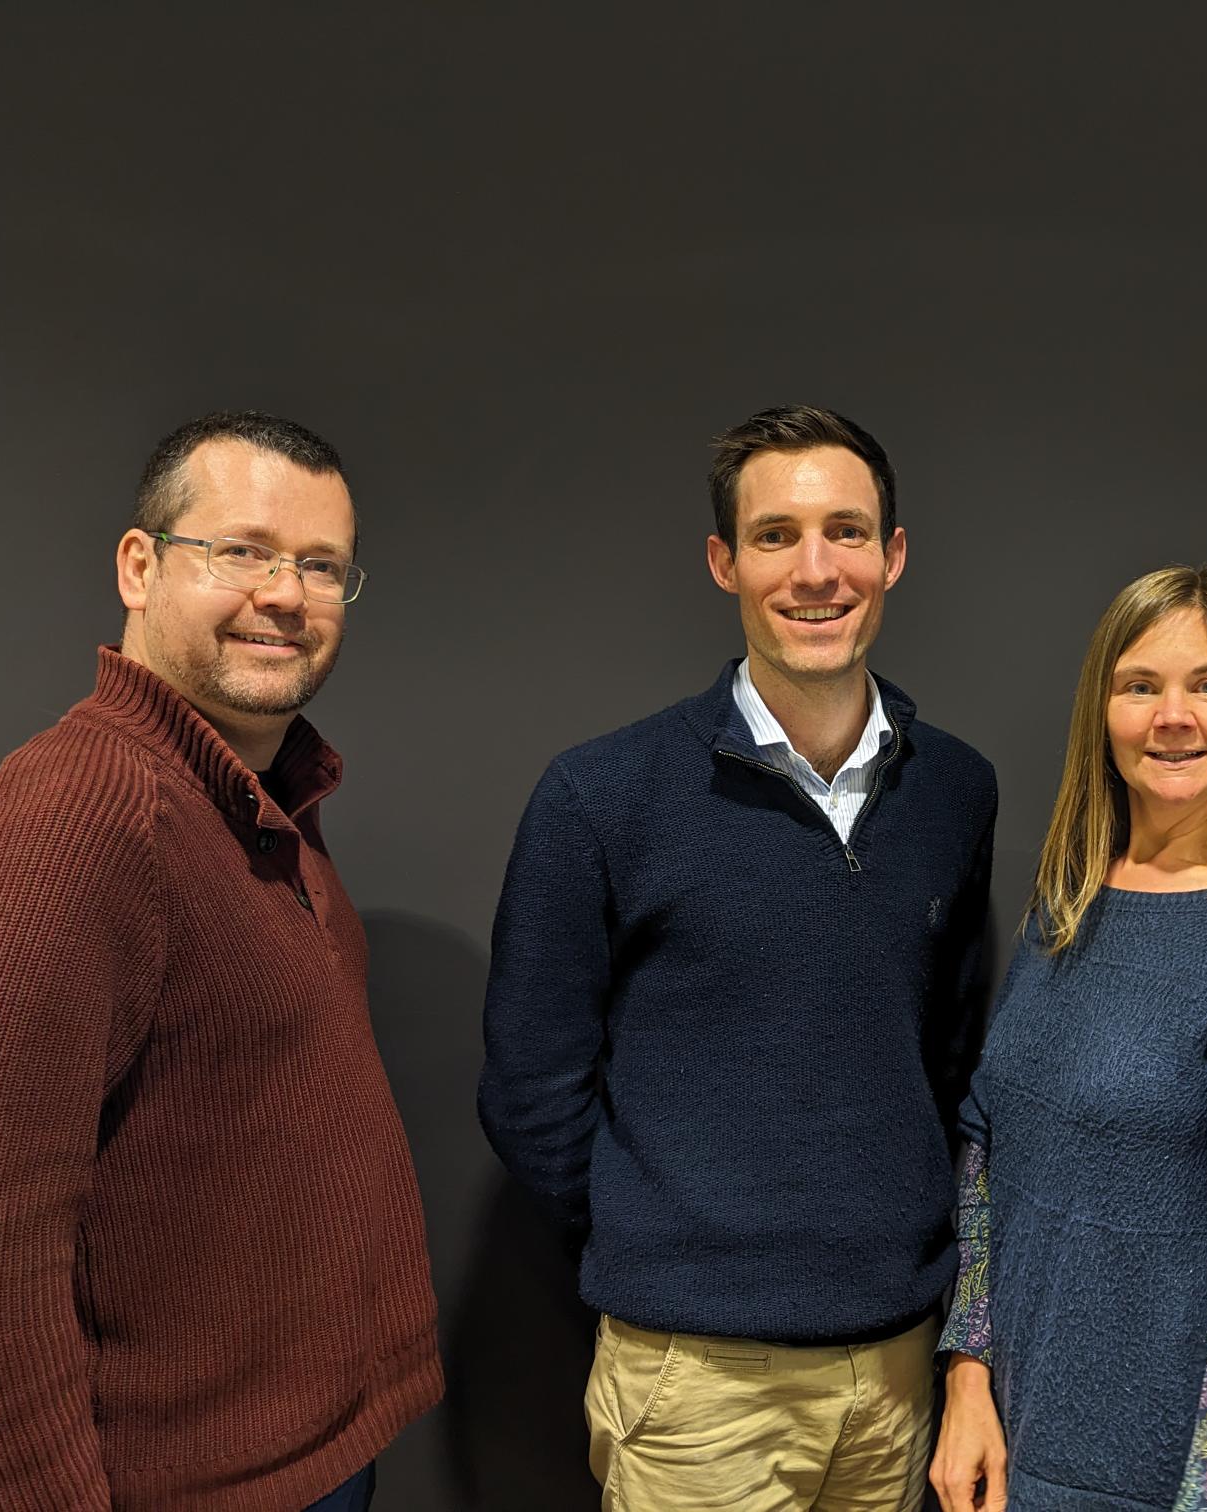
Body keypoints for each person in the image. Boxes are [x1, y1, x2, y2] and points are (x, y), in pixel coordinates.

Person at [480, 404, 998, 1508]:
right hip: (696, 1384)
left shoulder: (955, 792)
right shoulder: (601, 796)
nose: (816, 570)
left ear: (893, 557)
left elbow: (952, 1060)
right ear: (724, 561)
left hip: (898, 1369)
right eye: (776, 536)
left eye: (847, 532)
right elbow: (530, 1087)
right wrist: (668, 1231)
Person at [0, 411, 442, 1511]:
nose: (286, 593)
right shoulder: (84, 812)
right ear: (140, 565)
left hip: (305, 1454)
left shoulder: (252, 799)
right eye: (243, 551)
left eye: (321, 565)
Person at [931, 564, 1207, 1512]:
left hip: (1178, 1489)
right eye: (1141, 686)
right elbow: (986, 1144)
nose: (1173, 716)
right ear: (1103, 710)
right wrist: (967, 1372)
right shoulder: (1072, 903)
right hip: (1016, 1458)